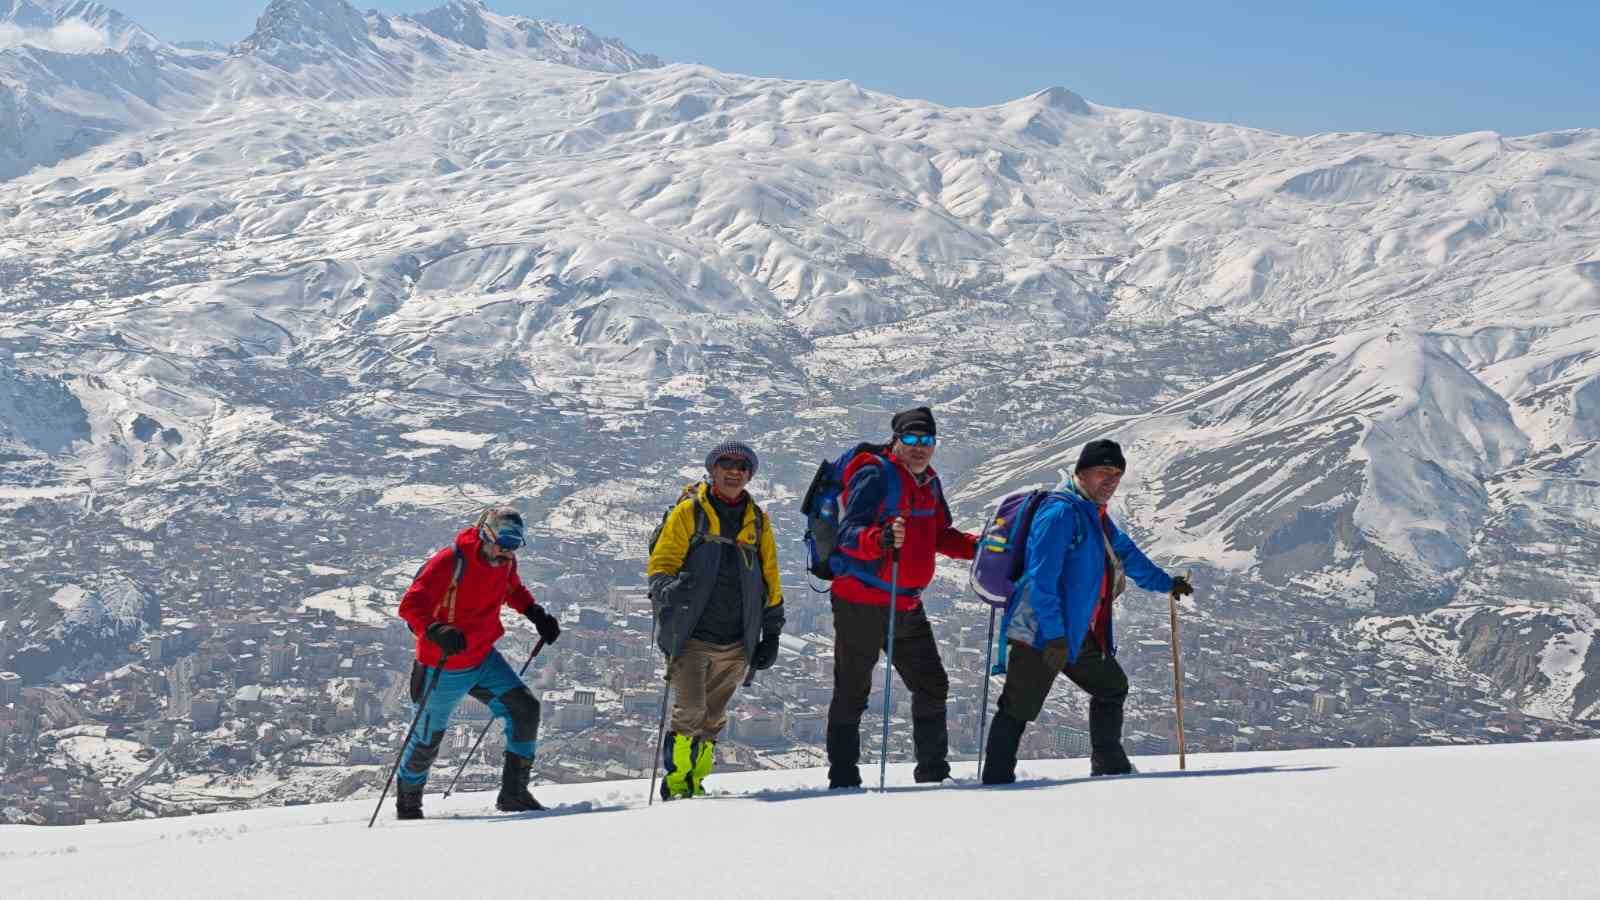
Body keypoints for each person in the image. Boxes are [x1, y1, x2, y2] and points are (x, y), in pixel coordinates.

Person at [981, 439, 1194, 784]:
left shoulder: (1093, 515)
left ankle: (1108, 764)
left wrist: (1167, 584)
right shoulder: (1061, 512)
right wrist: (1053, 636)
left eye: (1117, 474)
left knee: (1112, 686)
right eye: (1103, 472)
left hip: (1072, 633)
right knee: (1018, 708)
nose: (1110, 481)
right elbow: (1040, 581)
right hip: (1041, 631)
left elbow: (1127, 554)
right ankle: (995, 780)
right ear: (1081, 473)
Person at [825, 406, 977, 788]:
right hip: (861, 600)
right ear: (896, 439)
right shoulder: (874, 474)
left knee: (932, 684)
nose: (919, 447)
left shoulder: (930, 482)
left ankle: (933, 774)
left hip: (907, 601)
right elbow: (846, 535)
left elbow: (941, 534)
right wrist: (879, 540)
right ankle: (843, 776)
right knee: (853, 690)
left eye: (927, 439)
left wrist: (980, 548)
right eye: (911, 438)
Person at [393, 507, 562, 819]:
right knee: (427, 740)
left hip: (482, 657)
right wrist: (435, 630)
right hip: (441, 667)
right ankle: (408, 805)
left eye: (514, 544)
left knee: (525, 709)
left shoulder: (505, 561)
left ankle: (514, 794)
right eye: (502, 542)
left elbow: (512, 589)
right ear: (486, 534)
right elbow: (410, 605)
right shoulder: (449, 562)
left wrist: (535, 613)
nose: (506, 550)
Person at [647, 440, 784, 801]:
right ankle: (677, 786)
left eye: (742, 466)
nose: (734, 471)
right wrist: (667, 590)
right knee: (689, 711)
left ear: (750, 475)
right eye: (726, 464)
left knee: (712, 717)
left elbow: (770, 575)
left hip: (737, 641)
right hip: (690, 636)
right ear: (713, 469)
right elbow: (662, 563)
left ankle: (697, 783)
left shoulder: (757, 520)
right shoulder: (690, 513)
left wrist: (771, 631)